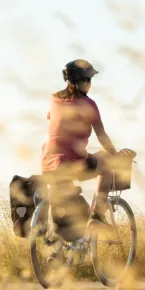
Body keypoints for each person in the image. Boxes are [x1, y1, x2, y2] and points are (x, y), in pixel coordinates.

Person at [41, 59, 126, 230]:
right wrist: (115, 154)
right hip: (72, 163)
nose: (90, 84)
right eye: (89, 80)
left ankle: (69, 247)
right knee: (107, 164)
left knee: (68, 198)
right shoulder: (88, 104)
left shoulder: (54, 100)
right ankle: (98, 216)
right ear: (84, 81)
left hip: (48, 163)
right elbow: (101, 135)